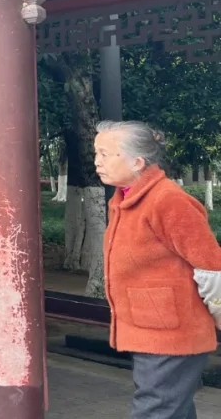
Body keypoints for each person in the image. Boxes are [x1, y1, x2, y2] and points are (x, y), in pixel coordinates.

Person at [94, 121, 221, 419]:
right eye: (96, 153)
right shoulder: (126, 198)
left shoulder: (168, 200)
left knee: (155, 411)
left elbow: (211, 266)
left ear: (137, 162)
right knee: (171, 410)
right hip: (153, 330)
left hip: (172, 335)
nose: (97, 161)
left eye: (104, 154)